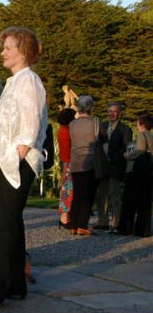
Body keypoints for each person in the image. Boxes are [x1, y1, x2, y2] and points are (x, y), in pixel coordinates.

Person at [0, 27, 47, 305]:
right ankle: (16, 283)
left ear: (23, 51)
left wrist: (13, 158)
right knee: (10, 223)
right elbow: (15, 117)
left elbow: (30, 127)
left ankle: (0, 287)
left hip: (14, 162)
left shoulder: (28, 81)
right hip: (6, 160)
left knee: (4, 224)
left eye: (8, 47)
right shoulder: (15, 81)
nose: (2, 52)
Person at [95, 102, 132, 233]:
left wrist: (112, 157)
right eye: (109, 111)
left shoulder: (125, 129)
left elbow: (125, 149)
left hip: (116, 166)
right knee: (102, 196)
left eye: (114, 111)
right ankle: (102, 222)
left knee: (115, 197)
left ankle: (116, 224)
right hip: (102, 166)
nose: (111, 114)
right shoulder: (102, 126)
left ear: (119, 113)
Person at [67, 96, 102, 237]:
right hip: (90, 161)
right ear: (90, 107)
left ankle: (72, 224)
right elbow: (101, 138)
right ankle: (82, 224)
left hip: (75, 162)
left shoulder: (72, 124)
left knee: (77, 195)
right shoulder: (95, 123)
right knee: (87, 195)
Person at [118, 113, 152, 237]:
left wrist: (127, 156)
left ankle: (126, 228)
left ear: (141, 124)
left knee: (129, 200)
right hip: (148, 171)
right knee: (144, 201)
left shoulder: (142, 135)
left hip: (138, 170)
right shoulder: (150, 135)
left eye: (138, 122)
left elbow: (140, 150)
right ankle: (143, 229)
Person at [56, 108, 76, 228]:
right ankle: (64, 218)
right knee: (68, 192)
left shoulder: (62, 130)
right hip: (69, 163)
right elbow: (66, 152)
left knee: (67, 192)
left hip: (67, 162)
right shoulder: (66, 132)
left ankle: (65, 218)